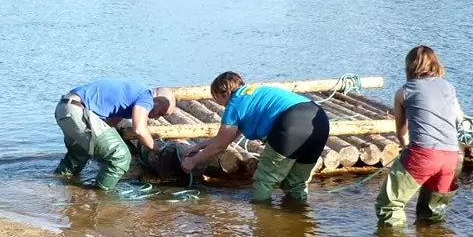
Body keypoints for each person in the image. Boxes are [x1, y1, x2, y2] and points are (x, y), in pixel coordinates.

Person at [181, 73, 330, 204]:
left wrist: (192, 161)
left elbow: (221, 146)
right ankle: (299, 219)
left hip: (291, 124)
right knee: (296, 183)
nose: (219, 102)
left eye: (217, 97)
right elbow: (223, 138)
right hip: (320, 122)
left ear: (225, 92)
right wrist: (197, 147)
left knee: (265, 179)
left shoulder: (234, 104)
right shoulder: (255, 94)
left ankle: (262, 221)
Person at [376, 45, 465, 226]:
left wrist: (404, 145)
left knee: (389, 205)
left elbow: (401, 129)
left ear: (410, 66)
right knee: (433, 213)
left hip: (423, 154)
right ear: (435, 64)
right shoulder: (449, 87)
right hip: (451, 157)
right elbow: (459, 117)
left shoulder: (404, 92)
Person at [55, 78, 176, 190]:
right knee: (120, 156)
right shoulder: (147, 97)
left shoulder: (132, 95)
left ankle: (55, 183)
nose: (157, 117)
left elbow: (109, 124)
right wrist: (156, 148)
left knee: (78, 157)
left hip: (65, 109)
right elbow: (139, 130)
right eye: (161, 112)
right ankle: (101, 197)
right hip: (77, 112)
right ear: (157, 100)